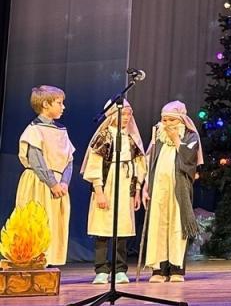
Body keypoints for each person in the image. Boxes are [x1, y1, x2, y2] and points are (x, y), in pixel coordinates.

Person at [82, 102, 146, 284]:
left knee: (122, 230)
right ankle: (101, 270)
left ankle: (120, 269)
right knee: (102, 229)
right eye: (122, 114)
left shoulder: (131, 138)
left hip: (126, 187)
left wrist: (137, 190)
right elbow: (94, 165)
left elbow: (139, 165)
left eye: (128, 114)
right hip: (107, 184)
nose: (126, 118)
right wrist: (99, 191)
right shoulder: (104, 136)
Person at [141, 101, 202, 282]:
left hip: (178, 189)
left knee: (177, 226)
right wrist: (146, 186)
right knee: (158, 226)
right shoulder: (158, 137)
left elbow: (189, 160)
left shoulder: (190, 136)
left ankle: (176, 269)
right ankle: (159, 269)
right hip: (159, 188)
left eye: (171, 120)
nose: (167, 124)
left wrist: (176, 140)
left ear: (181, 120)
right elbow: (150, 162)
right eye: (164, 120)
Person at [16, 85, 74, 267]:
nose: (63, 107)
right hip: (40, 182)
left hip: (58, 185)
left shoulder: (61, 130)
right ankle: (33, 263)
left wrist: (64, 183)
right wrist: (52, 183)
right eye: (59, 103)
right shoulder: (34, 130)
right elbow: (37, 161)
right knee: (37, 222)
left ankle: (49, 263)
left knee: (55, 223)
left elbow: (69, 160)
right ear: (46, 104)